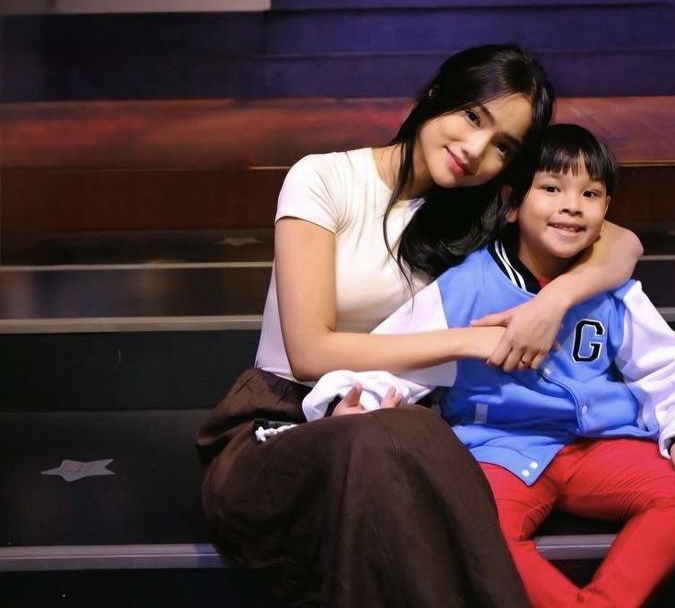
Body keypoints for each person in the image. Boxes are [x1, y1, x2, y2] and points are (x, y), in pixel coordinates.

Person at [196, 46, 644, 608]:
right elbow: (310, 352)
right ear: (438, 94)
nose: (476, 150)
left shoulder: (477, 215)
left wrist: (551, 303)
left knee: (397, 443)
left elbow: (623, 243)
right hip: (281, 425)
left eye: (503, 147)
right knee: (387, 444)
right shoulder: (324, 179)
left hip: (395, 428)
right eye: (473, 117)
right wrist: (472, 340)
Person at [310, 124, 675, 607]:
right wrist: (356, 401)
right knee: (473, 528)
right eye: (551, 188)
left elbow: (665, 366)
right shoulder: (466, 285)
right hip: (497, 451)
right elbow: (397, 356)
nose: (572, 205)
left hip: (596, 445)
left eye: (590, 194)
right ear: (512, 204)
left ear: (606, 211)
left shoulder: (613, 289)